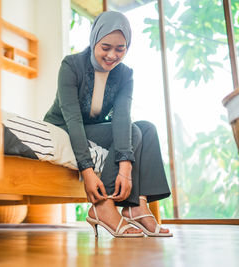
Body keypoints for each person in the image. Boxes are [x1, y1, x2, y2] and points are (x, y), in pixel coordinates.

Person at [44, 11, 172, 237]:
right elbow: (72, 119)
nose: (112, 55)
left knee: (147, 129)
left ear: (127, 47)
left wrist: (126, 165)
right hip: (63, 125)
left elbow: (122, 116)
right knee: (133, 131)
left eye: (120, 49)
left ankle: (136, 206)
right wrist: (88, 170)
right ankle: (103, 207)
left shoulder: (125, 75)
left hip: (92, 127)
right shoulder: (71, 65)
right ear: (94, 40)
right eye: (106, 47)